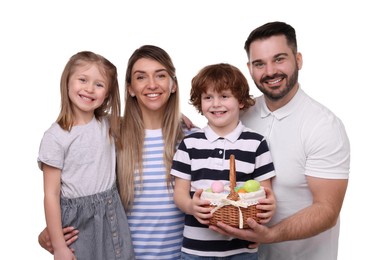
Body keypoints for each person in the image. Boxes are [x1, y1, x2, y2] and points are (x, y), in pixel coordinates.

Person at [38, 46, 196, 260]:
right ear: (130, 88)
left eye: (160, 75)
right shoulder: (114, 133)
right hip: (120, 252)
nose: (152, 84)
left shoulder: (192, 138)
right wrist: (51, 236)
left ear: (173, 84)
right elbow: (75, 184)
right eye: (141, 77)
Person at [209, 21, 350, 260]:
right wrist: (181, 121)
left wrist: (270, 235)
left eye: (279, 59)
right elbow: (205, 138)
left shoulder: (323, 126)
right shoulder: (241, 114)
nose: (270, 71)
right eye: (259, 64)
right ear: (249, 68)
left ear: (299, 60)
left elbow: (327, 210)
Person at [171, 63, 276, 259]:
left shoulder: (256, 143)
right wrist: (191, 207)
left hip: (241, 249)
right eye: (208, 97)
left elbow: (264, 192)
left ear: (241, 101)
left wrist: (268, 209)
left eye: (224, 96)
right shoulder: (189, 144)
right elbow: (180, 193)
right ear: (199, 103)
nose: (216, 104)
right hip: (196, 250)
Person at [37, 51, 135, 260]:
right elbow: (51, 195)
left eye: (99, 85)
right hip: (78, 222)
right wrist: (59, 245)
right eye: (83, 80)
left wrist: (176, 115)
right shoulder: (56, 137)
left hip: (112, 212)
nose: (89, 89)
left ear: (107, 94)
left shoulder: (109, 125)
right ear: (67, 82)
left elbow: (144, 119)